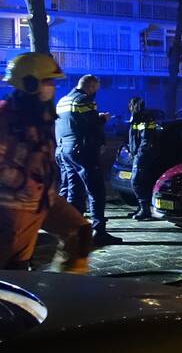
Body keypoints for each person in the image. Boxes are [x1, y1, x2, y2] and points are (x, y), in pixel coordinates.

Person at [0, 53, 94, 273]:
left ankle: (61, 291)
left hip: (42, 201)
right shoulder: (5, 118)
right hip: (11, 208)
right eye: (47, 81)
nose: (52, 86)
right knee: (13, 273)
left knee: (79, 233)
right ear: (29, 83)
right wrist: (22, 181)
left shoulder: (40, 117)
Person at [55, 74, 121, 247]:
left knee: (74, 191)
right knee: (96, 190)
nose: (95, 93)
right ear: (90, 86)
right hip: (83, 151)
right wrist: (102, 119)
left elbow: (70, 123)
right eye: (95, 89)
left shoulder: (62, 101)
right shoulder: (84, 100)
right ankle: (99, 232)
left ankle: (72, 230)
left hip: (65, 150)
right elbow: (92, 124)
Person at [127, 96, 162, 220]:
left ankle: (145, 210)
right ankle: (141, 208)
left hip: (143, 155)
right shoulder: (135, 118)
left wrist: (139, 154)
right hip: (138, 154)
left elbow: (147, 140)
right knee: (142, 182)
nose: (131, 108)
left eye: (132, 105)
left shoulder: (145, 118)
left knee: (136, 181)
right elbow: (133, 138)